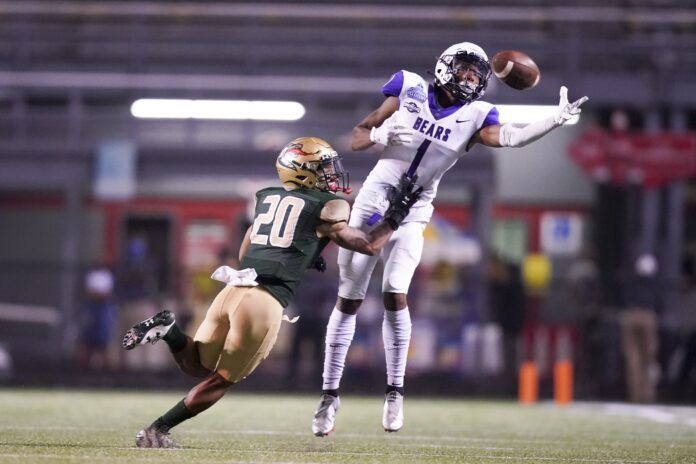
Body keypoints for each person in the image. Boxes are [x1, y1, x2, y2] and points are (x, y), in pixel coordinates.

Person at [311, 41, 588, 436]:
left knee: (395, 291)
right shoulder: (407, 88)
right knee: (350, 294)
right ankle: (329, 394)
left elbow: (510, 137)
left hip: (415, 208)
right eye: (465, 70)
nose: (471, 78)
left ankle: (394, 392)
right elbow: (355, 138)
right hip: (376, 196)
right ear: (445, 67)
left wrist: (553, 121)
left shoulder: (477, 115)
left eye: (477, 74)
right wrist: (381, 132)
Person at [121, 136, 422, 448]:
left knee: (197, 364)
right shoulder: (329, 207)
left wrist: (305, 251)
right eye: (325, 168)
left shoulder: (267, 196)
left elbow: (246, 249)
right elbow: (369, 245)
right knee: (221, 379)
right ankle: (158, 430)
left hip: (232, 289)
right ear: (305, 172)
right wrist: (396, 217)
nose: (333, 174)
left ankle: (170, 331)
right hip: (263, 302)